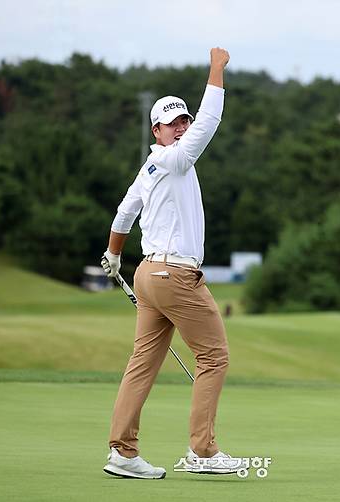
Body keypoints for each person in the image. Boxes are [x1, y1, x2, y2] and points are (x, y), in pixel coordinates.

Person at [100, 47, 238, 479]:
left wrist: (114, 253)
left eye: (184, 122)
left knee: (143, 362)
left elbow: (124, 212)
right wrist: (217, 68)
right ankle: (203, 451)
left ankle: (123, 452)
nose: (181, 129)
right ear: (156, 131)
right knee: (214, 356)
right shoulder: (175, 159)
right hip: (176, 275)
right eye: (171, 124)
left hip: (147, 274)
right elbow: (211, 121)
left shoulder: (149, 167)